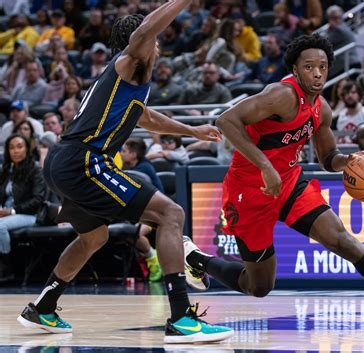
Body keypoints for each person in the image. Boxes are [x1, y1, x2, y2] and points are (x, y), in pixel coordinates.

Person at [182, 33, 364, 327]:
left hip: (291, 184)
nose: (317, 73)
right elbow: (226, 121)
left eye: (322, 66)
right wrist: (265, 166)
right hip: (251, 190)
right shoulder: (280, 96)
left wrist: (349, 161)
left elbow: (328, 157)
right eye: (309, 67)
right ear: (295, 69)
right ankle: (198, 259)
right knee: (258, 286)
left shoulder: (322, 108)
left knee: (345, 242)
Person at [17, 1, 233, 344]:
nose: (157, 46)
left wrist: (192, 131)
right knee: (170, 213)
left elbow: (145, 117)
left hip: (62, 161)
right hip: (84, 160)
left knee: (94, 237)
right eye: (153, 41)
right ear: (141, 41)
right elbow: (146, 31)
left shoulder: (121, 81)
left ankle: (43, 307)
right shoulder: (131, 60)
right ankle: (181, 318)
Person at [0, 134, 45, 282]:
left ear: (26, 149)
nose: (15, 151)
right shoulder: (6, 170)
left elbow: (37, 200)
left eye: (19, 146)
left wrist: (11, 211)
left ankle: (5, 269)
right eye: (11, 147)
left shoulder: (35, 170)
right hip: (6, 212)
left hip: (29, 215)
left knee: (0, 226)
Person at [121, 137, 164, 282]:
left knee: (136, 234)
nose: (121, 154)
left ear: (133, 154)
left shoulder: (143, 169)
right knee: (126, 232)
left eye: (124, 151)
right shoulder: (130, 169)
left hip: (157, 213)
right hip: (142, 212)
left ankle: (154, 260)